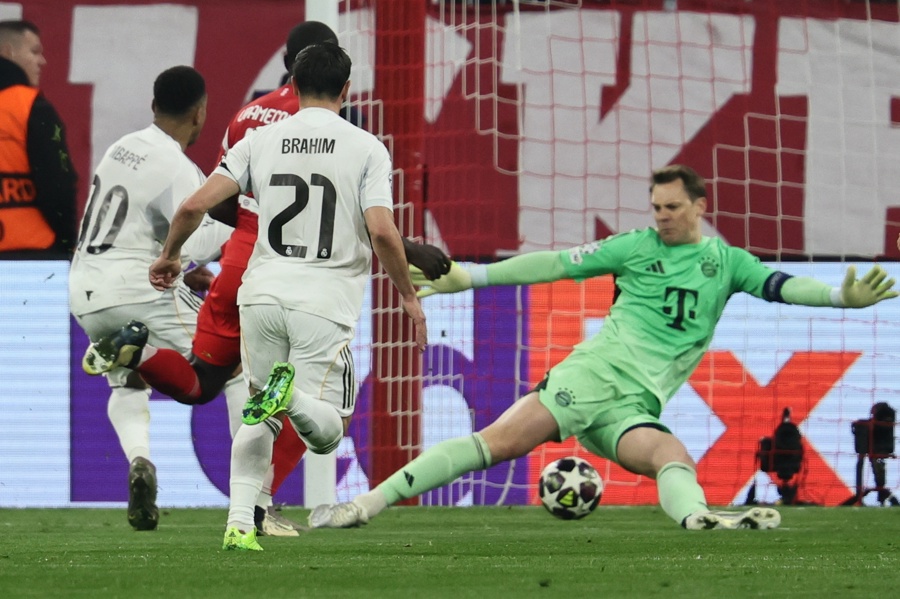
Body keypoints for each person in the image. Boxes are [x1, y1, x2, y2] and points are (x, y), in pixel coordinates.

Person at [308, 164, 899, 531]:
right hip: (592, 377)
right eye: (657, 208)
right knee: (496, 445)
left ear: (700, 207)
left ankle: (698, 518)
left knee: (672, 457)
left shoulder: (728, 263)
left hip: (634, 405)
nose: (662, 217)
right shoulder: (636, 247)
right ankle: (364, 505)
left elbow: (782, 286)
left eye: (673, 208)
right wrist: (472, 276)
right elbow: (555, 264)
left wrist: (838, 298)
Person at [83, 21, 449, 537]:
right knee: (321, 422)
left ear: (291, 75)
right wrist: (408, 290)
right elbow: (379, 230)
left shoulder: (251, 125)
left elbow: (201, 205)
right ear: (345, 85)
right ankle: (267, 488)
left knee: (224, 389)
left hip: (251, 278)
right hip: (319, 295)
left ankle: (242, 518)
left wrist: (171, 256)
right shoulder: (363, 142)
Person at [70, 65, 231, 531]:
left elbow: (140, 226)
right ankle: (256, 502)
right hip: (138, 289)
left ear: (153, 105)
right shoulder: (176, 166)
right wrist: (242, 227)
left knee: (127, 384)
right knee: (233, 366)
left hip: (85, 289)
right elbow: (195, 235)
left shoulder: (120, 147)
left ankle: (140, 460)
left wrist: (183, 267)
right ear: (200, 113)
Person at [0, 20, 77, 259]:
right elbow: (58, 183)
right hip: (31, 254)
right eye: (34, 52)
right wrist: (68, 242)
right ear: (8, 52)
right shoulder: (31, 106)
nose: (41, 61)